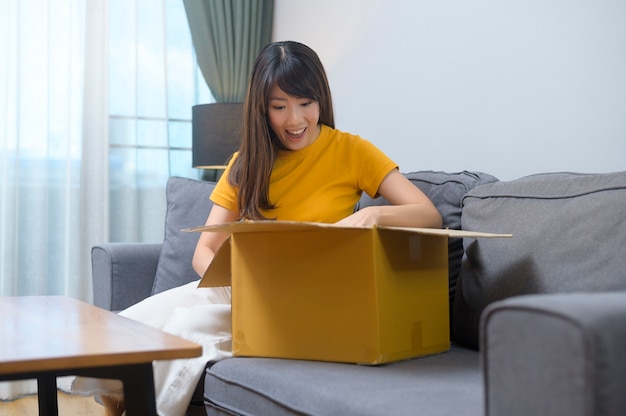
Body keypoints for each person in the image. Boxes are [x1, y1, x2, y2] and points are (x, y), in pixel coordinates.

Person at [72, 40, 442, 416]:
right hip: (245, 287)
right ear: (262, 108)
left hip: (308, 297)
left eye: (305, 104)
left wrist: (372, 216)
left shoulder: (352, 151)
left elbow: (427, 213)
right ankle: (115, 400)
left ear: (321, 101)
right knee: (131, 325)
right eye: (279, 107)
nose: (294, 120)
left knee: (188, 325)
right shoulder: (246, 163)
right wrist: (240, 282)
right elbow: (204, 251)